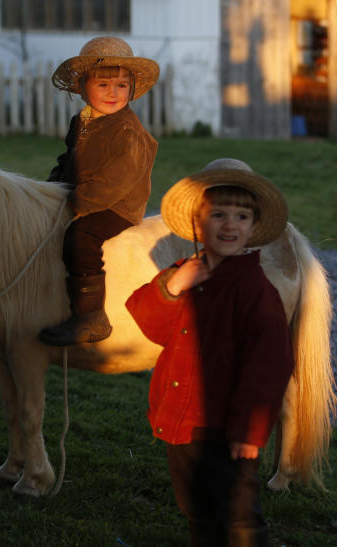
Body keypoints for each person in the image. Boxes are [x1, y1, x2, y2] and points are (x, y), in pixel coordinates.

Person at [124, 158, 294, 547]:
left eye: (241, 216)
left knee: (238, 515)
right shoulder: (186, 272)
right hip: (182, 422)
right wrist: (171, 287)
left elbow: (268, 367)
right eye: (218, 214)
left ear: (253, 228)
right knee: (197, 508)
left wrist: (249, 432)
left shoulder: (255, 292)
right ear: (199, 224)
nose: (230, 224)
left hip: (226, 428)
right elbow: (151, 323)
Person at [37, 36, 159, 347]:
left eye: (120, 86)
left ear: (131, 89)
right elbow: (69, 159)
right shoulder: (82, 121)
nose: (113, 93)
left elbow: (117, 180)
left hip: (116, 205)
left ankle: (92, 317)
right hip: (84, 195)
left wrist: (77, 202)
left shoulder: (128, 131)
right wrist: (51, 189)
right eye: (103, 85)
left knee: (81, 237)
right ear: (81, 87)